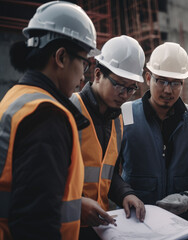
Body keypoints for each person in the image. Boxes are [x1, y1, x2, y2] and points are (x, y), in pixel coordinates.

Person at [0, 1, 100, 239]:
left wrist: (76, 205)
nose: (84, 75)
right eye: (84, 63)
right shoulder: (46, 117)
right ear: (61, 57)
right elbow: (36, 223)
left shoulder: (17, 98)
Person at [120, 42, 188, 223]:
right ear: (147, 77)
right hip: (136, 223)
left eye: (175, 83)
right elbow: (109, 172)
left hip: (181, 224)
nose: (168, 90)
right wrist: (125, 194)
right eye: (161, 81)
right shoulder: (125, 115)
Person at [70, 36, 146, 239]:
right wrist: (76, 205)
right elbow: (48, 177)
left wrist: (125, 193)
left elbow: (107, 173)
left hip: (99, 226)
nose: (125, 94)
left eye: (131, 88)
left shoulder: (117, 120)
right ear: (97, 74)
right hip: (67, 224)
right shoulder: (69, 110)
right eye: (120, 85)